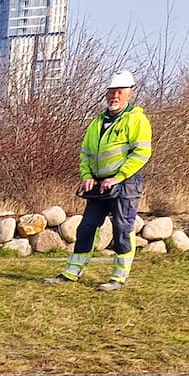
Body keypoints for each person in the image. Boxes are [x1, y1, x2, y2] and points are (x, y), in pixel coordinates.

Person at [44, 70, 153, 291]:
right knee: (86, 227)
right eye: (111, 92)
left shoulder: (137, 120)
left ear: (129, 95)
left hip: (125, 184)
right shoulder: (97, 122)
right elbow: (85, 153)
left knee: (122, 228)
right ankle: (72, 272)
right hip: (98, 184)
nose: (115, 96)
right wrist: (87, 176)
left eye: (120, 92)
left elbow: (141, 153)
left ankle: (118, 278)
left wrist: (118, 177)